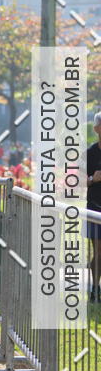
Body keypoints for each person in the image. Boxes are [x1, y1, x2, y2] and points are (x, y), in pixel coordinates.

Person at [87, 111, 101, 303]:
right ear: (97, 129)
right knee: (98, 251)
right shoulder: (90, 153)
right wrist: (92, 178)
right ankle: (95, 289)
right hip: (95, 207)